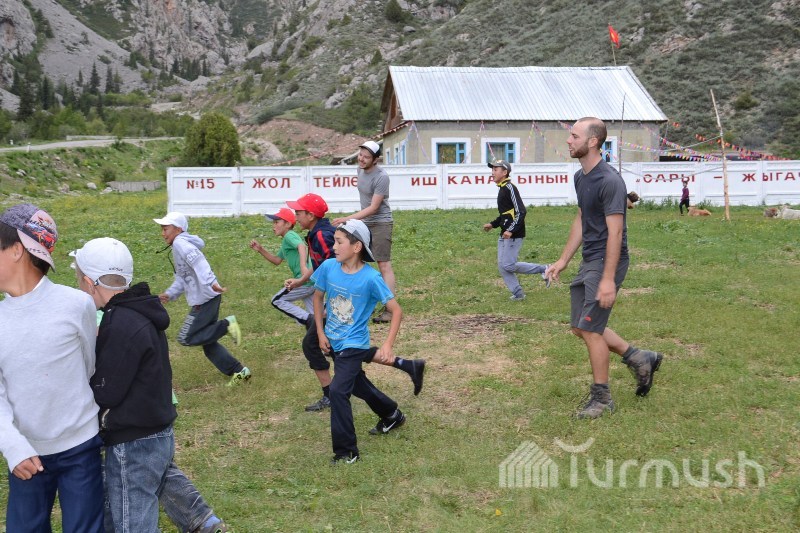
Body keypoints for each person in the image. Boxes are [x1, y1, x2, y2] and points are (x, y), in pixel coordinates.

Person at [72, 237, 228, 533]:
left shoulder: (120, 324)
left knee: (133, 521)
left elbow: (108, 390)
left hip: (133, 440)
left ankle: (201, 520)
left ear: (90, 283)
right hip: (157, 431)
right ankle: (201, 520)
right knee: (136, 498)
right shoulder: (139, 313)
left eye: (79, 281)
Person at [544, 117, 664, 419]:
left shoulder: (610, 181)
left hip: (607, 260)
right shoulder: (581, 177)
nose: (569, 141)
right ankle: (639, 357)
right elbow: (582, 218)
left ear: (593, 141)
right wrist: (563, 260)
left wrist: (608, 279)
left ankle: (602, 398)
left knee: (590, 328)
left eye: (574, 136)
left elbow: (616, 232)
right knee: (579, 326)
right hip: (591, 258)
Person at [0, 203, 104, 532]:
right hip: (26, 453)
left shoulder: (76, 305)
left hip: (81, 448)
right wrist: (14, 448)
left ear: (17, 250)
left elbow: (88, 365)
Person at [311, 219, 425, 464]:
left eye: (339, 242)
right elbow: (318, 297)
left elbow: (396, 310)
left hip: (354, 344)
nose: (333, 247)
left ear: (356, 247)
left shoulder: (371, 278)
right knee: (356, 384)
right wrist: (320, 332)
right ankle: (391, 414)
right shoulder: (329, 267)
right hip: (334, 340)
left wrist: (387, 345)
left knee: (338, 391)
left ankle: (347, 452)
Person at [154, 212, 250, 386]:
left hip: (205, 299)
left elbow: (200, 263)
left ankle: (227, 325)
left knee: (185, 337)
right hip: (207, 297)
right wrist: (170, 293)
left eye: (165, 229)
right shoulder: (178, 245)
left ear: (178, 229)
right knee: (208, 343)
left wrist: (212, 282)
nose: (162, 233)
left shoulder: (181, 244)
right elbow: (182, 277)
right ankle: (239, 372)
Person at [332, 140, 397, 323]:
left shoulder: (382, 177)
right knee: (356, 260)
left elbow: (374, 207)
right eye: (360, 155)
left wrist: (348, 219)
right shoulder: (359, 170)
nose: (361, 159)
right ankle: (362, 302)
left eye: (366, 157)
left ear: (375, 160)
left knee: (383, 265)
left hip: (381, 223)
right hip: (364, 223)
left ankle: (390, 309)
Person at [285, 193, 337, 412]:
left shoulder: (323, 236)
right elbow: (319, 266)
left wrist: (330, 307)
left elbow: (337, 268)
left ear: (311, 215)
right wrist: (300, 281)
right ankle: (336, 392)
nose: (295, 217)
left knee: (314, 344)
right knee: (336, 348)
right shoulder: (315, 234)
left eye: (298, 212)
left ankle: (334, 394)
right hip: (334, 302)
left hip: (339, 303)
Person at [482, 159, 550, 300]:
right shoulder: (502, 188)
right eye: (492, 169)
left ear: (504, 172)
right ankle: (518, 294)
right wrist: (493, 224)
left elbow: (521, 211)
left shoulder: (510, 188)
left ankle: (544, 269)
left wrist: (511, 230)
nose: (492, 172)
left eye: (495, 169)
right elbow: (505, 214)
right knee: (502, 266)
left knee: (508, 265)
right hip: (505, 233)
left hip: (514, 234)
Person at [250, 207, 314, 326]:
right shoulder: (286, 241)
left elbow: (302, 246)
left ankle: (308, 319)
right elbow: (277, 260)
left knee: (277, 300)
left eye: (276, 222)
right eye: (273, 223)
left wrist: (303, 267)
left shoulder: (290, 235)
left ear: (288, 224)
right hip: (310, 281)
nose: (273, 226)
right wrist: (260, 249)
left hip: (303, 280)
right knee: (319, 313)